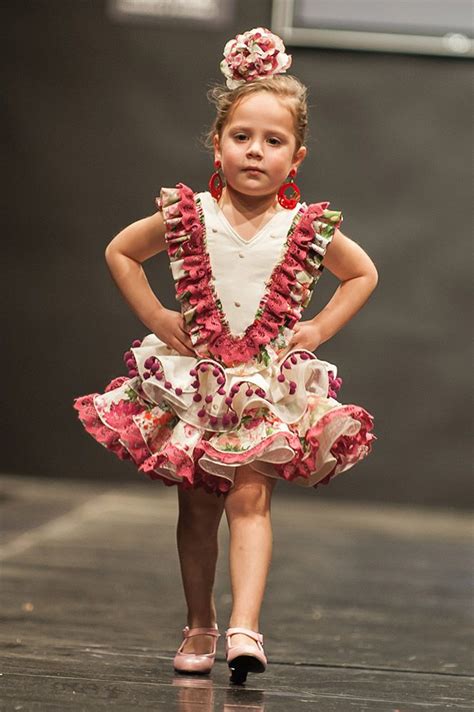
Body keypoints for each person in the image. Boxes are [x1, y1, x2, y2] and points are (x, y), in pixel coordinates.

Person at [73, 27, 378, 684]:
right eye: (242, 137)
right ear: (217, 143)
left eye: (273, 142)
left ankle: (246, 626)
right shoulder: (192, 213)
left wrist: (318, 328)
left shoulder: (303, 227)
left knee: (251, 499)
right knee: (198, 507)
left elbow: (362, 273)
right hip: (199, 383)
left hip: (262, 385)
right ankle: (199, 623)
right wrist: (157, 316)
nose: (256, 152)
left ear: (296, 157)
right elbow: (121, 251)